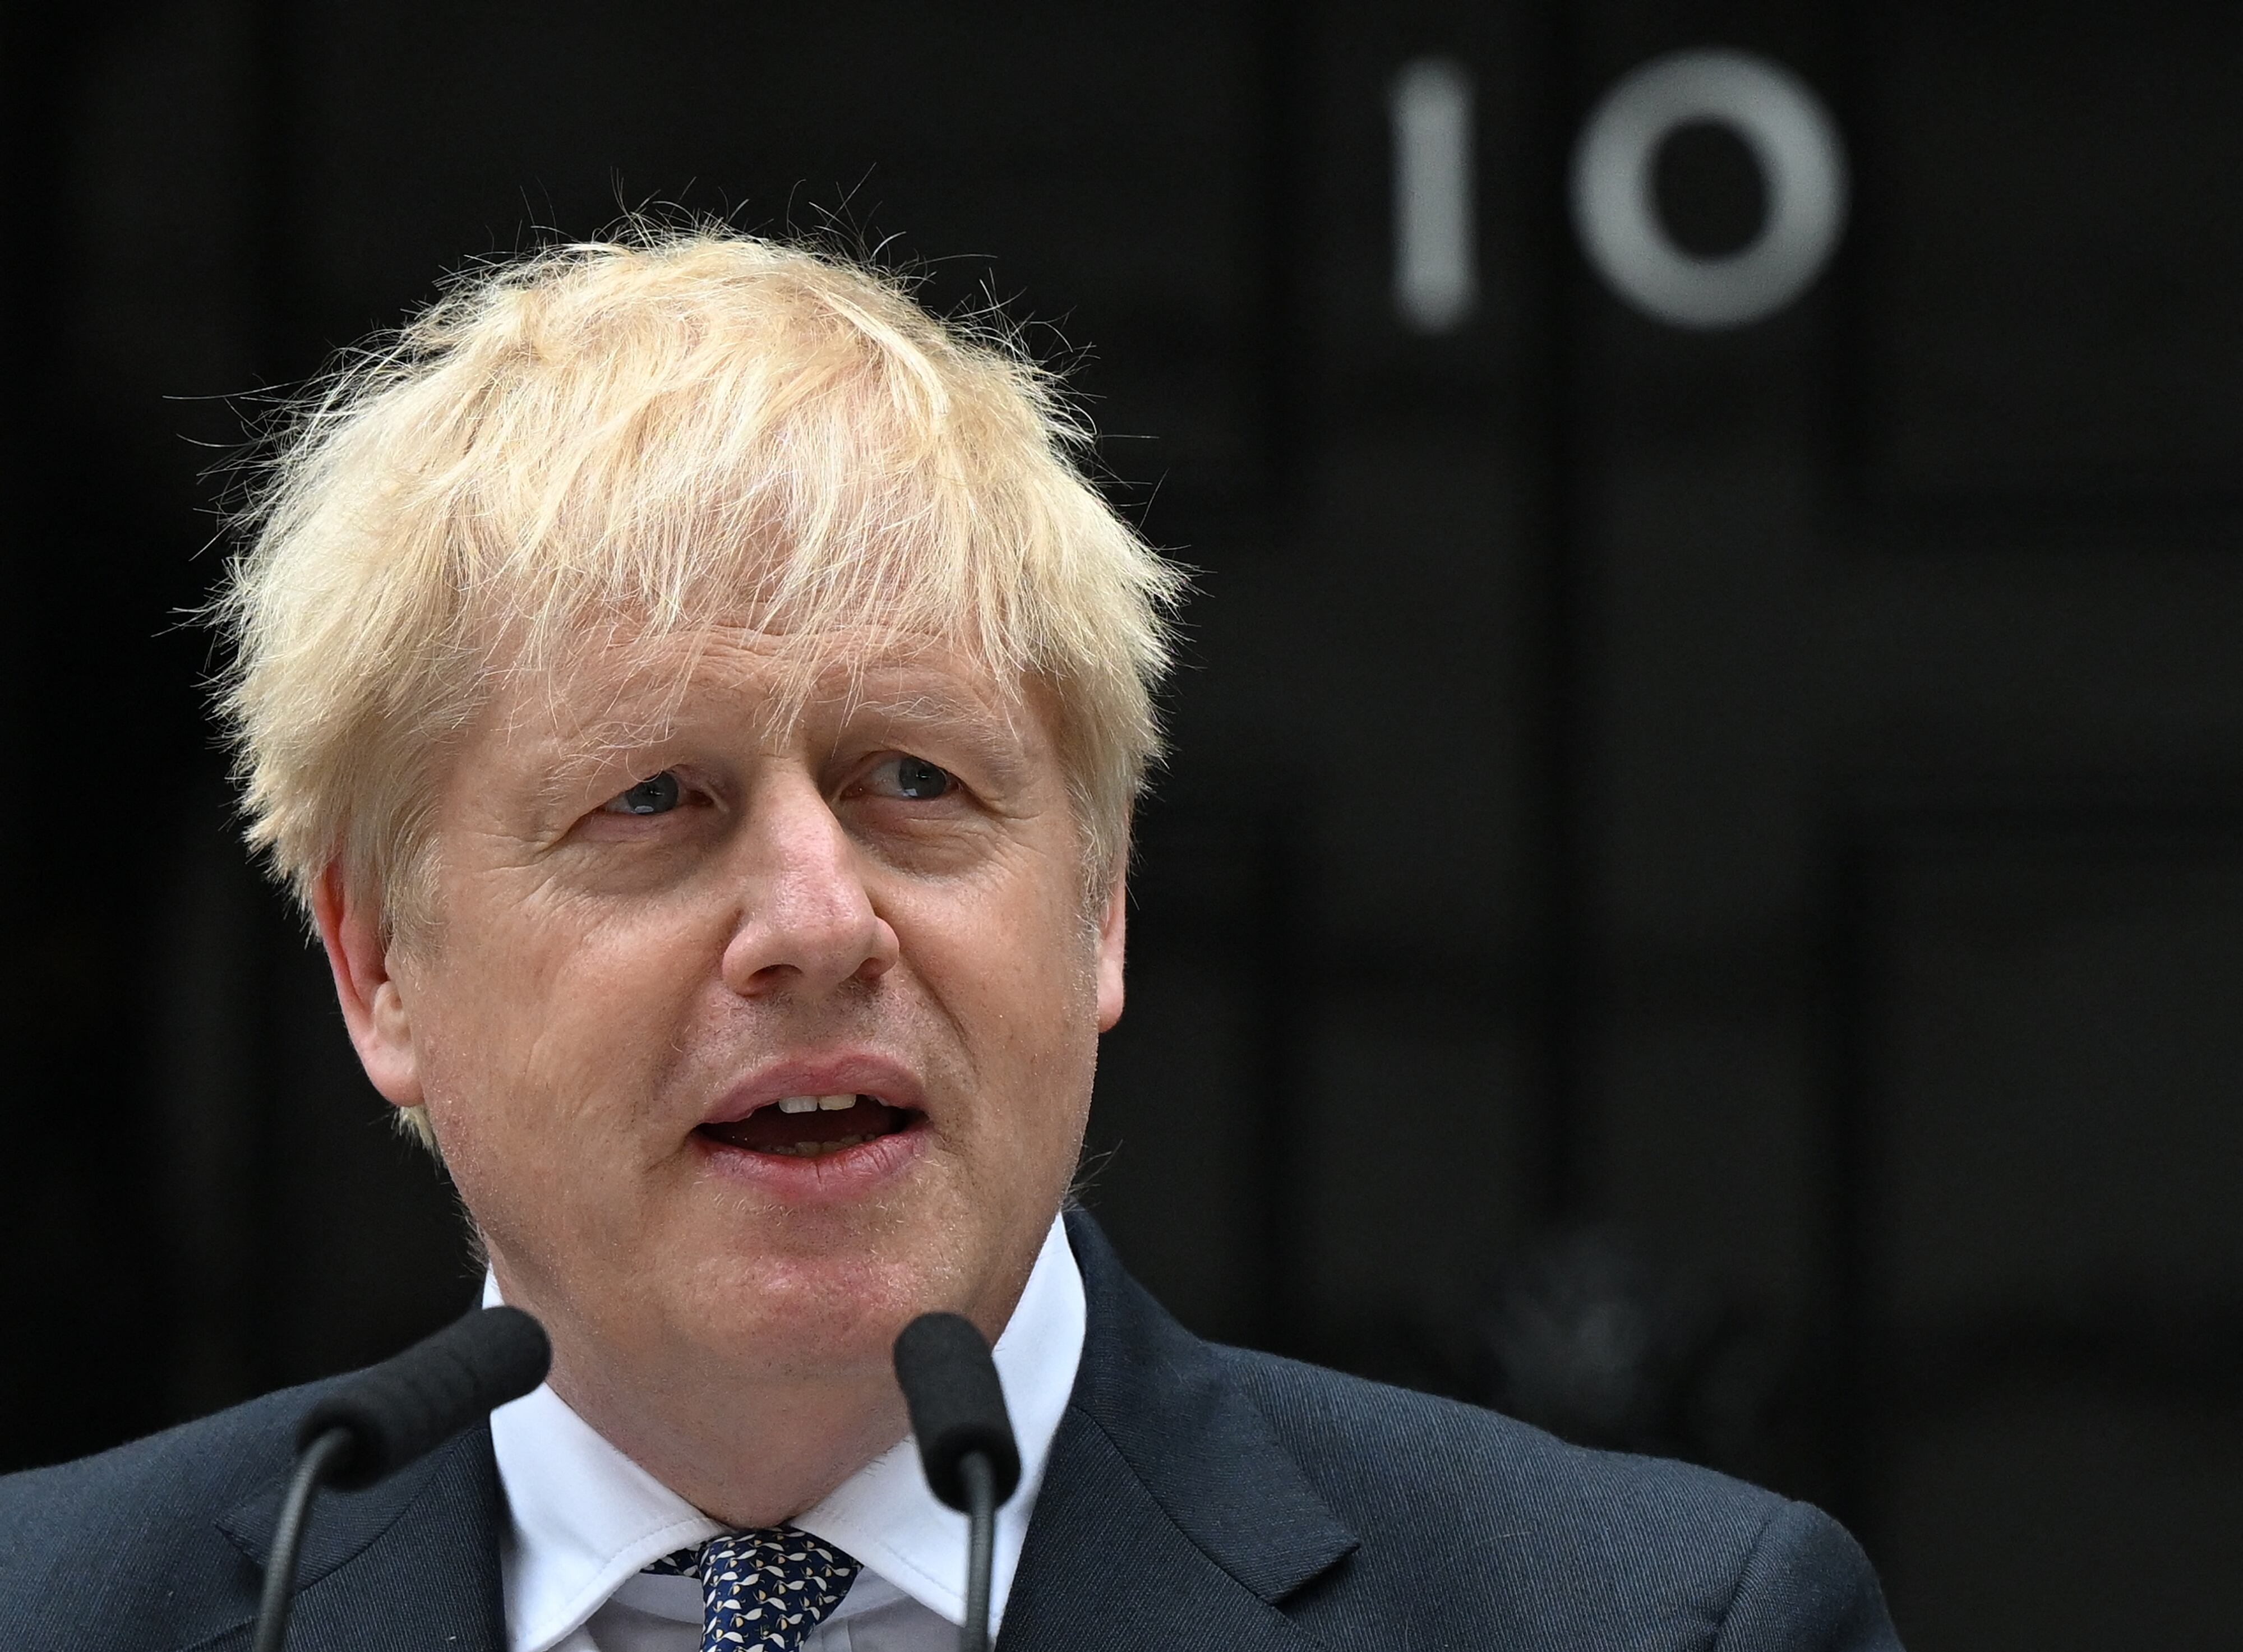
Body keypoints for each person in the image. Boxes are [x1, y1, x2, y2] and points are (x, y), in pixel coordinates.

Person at [0, 230, 1901, 1651]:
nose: (819, 923)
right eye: (656, 801)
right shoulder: (66, 1604)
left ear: (1098, 900)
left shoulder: (1656, 1625)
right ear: (374, 966)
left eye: (915, 780)